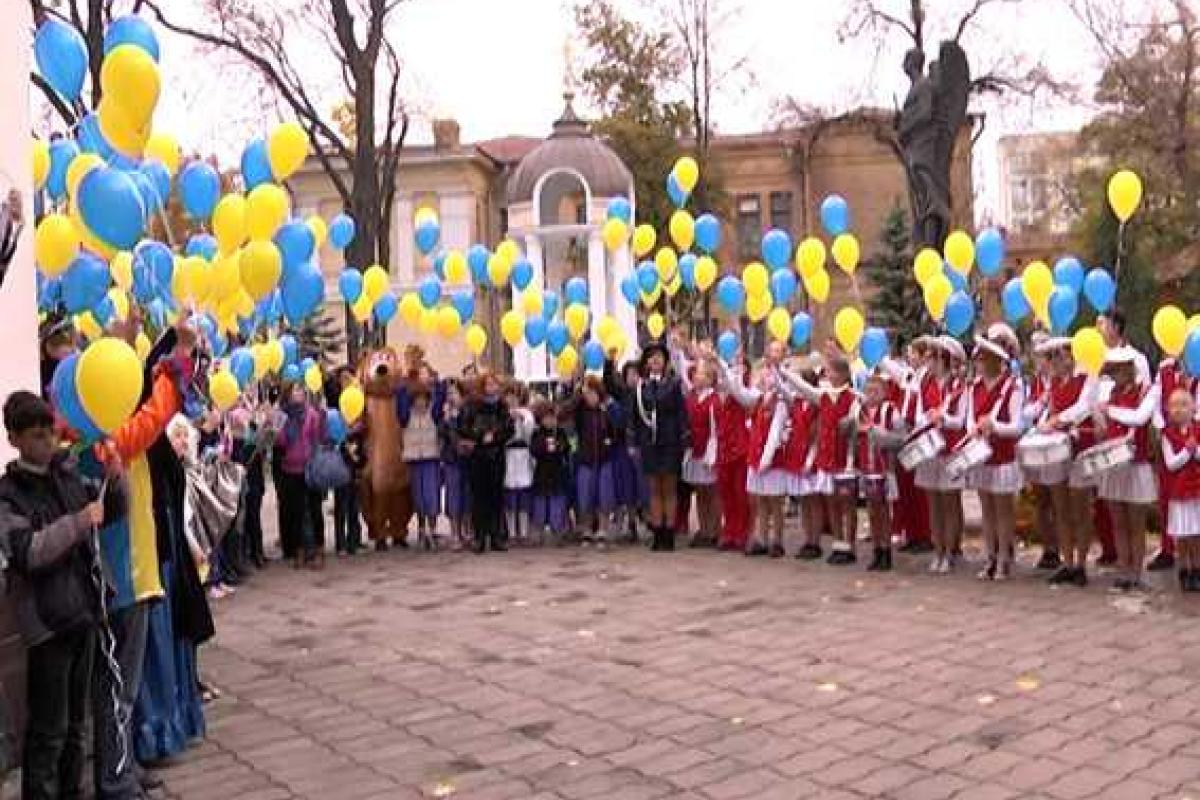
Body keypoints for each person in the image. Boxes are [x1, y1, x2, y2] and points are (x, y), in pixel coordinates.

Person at [0, 391, 123, 800]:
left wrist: (116, 479)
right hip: (47, 626)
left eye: (50, 433)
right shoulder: (8, 494)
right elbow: (28, 552)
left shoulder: (66, 475)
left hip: (83, 612)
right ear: (15, 438)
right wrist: (78, 522)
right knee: (48, 733)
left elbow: (109, 508)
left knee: (76, 729)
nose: (47, 442)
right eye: (36, 435)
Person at [1029, 337, 1098, 588]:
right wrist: (1041, 427)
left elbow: (1083, 408)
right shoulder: (1053, 383)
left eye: (1059, 356)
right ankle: (1067, 561)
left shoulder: (1087, 378)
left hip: (1079, 448)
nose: (1055, 362)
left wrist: (1057, 420)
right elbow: (1045, 410)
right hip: (1058, 449)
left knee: (1080, 508)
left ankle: (1081, 563)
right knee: (1060, 508)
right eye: (1052, 358)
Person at [779, 353, 859, 565]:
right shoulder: (823, 395)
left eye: (831, 371)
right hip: (826, 459)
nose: (827, 374)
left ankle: (849, 546)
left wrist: (851, 459)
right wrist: (785, 373)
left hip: (845, 461)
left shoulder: (853, 398)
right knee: (832, 504)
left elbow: (854, 433)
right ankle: (838, 544)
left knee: (847, 505)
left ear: (842, 374)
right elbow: (803, 388)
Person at [1096, 345, 1159, 592]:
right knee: (1118, 520)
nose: (1115, 375)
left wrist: (1110, 411)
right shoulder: (1111, 392)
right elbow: (1103, 423)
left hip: (1137, 463)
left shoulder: (1147, 391)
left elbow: (1139, 418)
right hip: (1114, 462)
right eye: (1112, 371)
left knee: (1136, 521)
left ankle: (1137, 572)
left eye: (1118, 370)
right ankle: (1123, 569)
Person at [966, 324, 1025, 581]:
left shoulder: (1012, 386)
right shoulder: (974, 387)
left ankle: (1004, 558)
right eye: (977, 356)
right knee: (986, 507)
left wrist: (995, 426)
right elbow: (970, 419)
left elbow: (1017, 425)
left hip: (1002, 455)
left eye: (982, 356)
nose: (978, 361)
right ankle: (990, 556)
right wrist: (974, 430)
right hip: (982, 455)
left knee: (1003, 509)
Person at [630, 342, 690, 551]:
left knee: (670, 488)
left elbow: (682, 413)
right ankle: (658, 532)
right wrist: (633, 442)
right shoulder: (641, 387)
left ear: (665, 362)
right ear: (646, 362)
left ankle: (669, 532)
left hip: (670, 441)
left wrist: (685, 441)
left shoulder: (673, 384)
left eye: (659, 357)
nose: (655, 360)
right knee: (654, 489)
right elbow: (635, 417)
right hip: (650, 444)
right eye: (651, 357)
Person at [1149, 351, 1197, 571]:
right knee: (1167, 496)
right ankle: (1169, 550)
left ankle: (1195, 565)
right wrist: (1162, 428)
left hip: (1192, 434)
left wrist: (1193, 430)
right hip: (1171, 435)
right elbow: (1155, 402)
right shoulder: (1164, 370)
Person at [458, 370, 514, 553]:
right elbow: (464, 427)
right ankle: (480, 537)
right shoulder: (472, 405)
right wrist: (481, 436)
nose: (492, 387)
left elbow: (509, 429)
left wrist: (496, 436)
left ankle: (496, 536)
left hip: (497, 455)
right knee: (479, 498)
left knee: (496, 497)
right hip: (478, 457)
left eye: (494, 384)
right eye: (488, 384)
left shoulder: (502, 406)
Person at [275, 382, 326, 568]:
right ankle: (299, 551)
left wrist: (315, 458)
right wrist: (277, 426)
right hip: (290, 468)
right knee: (295, 511)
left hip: (309, 467)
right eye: (295, 390)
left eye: (301, 390)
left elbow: (317, 438)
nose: (298, 393)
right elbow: (279, 442)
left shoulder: (311, 414)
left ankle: (318, 550)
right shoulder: (283, 416)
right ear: (288, 394)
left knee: (314, 510)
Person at [857, 373, 904, 571]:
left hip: (885, 469)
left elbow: (900, 439)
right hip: (866, 468)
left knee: (884, 511)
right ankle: (876, 549)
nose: (871, 395)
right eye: (868, 391)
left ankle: (886, 551)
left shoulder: (890, 411)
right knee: (871, 511)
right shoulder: (860, 411)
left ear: (884, 392)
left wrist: (880, 434)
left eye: (876, 391)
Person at [1162, 388, 1200, 591]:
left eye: (1183, 404)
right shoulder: (1168, 435)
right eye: (1174, 405)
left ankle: (1197, 568)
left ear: (1193, 408)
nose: (1178, 410)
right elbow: (1171, 464)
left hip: (1196, 489)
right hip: (1178, 491)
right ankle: (1183, 568)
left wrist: (1195, 450)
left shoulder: (1198, 429)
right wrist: (1187, 451)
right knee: (1182, 533)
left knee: (1196, 532)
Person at [714, 352, 752, 552]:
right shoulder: (720, 393)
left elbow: (736, 389)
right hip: (723, 447)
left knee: (740, 492)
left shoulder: (746, 391)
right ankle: (728, 530)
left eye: (741, 365)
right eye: (735, 364)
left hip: (740, 447)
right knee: (725, 492)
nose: (737, 368)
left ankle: (742, 532)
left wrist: (725, 366)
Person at [572, 376, 616, 546]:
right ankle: (587, 529)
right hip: (585, 459)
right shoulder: (580, 412)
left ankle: (603, 529)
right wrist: (578, 395)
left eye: (593, 392)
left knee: (604, 495)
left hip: (604, 458)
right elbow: (564, 411)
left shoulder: (605, 410)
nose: (590, 396)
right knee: (585, 495)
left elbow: (617, 426)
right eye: (587, 393)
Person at [682, 358, 721, 547]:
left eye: (703, 374)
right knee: (700, 491)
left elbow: (715, 430)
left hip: (707, 450)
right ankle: (703, 528)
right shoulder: (690, 397)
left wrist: (711, 454)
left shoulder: (713, 399)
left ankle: (714, 529)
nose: (698, 377)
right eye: (697, 373)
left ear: (711, 378)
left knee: (712, 491)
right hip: (693, 450)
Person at [400, 383, 444, 549]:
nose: (420, 402)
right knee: (418, 497)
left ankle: (432, 530)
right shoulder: (407, 415)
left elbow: (440, 395)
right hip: (413, 460)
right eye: (417, 399)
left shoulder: (433, 414)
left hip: (431, 458)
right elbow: (401, 399)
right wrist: (405, 382)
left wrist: (434, 382)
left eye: (423, 399)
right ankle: (421, 528)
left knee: (431, 496)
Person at [331, 366, 364, 557]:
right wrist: (347, 431)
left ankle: (354, 540)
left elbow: (363, 425)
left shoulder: (357, 400)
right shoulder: (336, 404)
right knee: (341, 501)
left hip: (356, 456)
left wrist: (357, 428)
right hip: (340, 456)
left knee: (354, 501)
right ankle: (341, 542)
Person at [530, 400, 572, 543]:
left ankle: (558, 528)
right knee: (540, 502)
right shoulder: (537, 433)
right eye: (546, 418)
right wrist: (545, 446)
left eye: (552, 417)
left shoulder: (560, 432)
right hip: (542, 472)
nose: (550, 421)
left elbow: (567, 447)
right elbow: (534, 450)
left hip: (558, 471)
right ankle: (539, 528)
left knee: (557, 501)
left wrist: (559, 446)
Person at [439, 381, 470, 549]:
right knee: (453, 496)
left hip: (467, 459)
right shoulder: (445, 416)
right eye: (449, 394)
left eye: (454, 393)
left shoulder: (467, 411)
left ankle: (467, 532)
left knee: (467, 495)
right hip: (451, 459)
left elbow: (469, 431)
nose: (451, 397)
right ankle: (454, 534)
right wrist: (446, 419)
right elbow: (442, 434)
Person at [502, 382, 535, 545]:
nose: (512, 399)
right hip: (508, 454)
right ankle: (511, 533)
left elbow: (530, 433)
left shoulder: (527, 413)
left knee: (523, 496)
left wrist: (521, 419)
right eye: (509, 396)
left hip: (522, 454)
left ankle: (523, 532)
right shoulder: (502, 413)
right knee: (510, 497)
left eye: (515, 396)